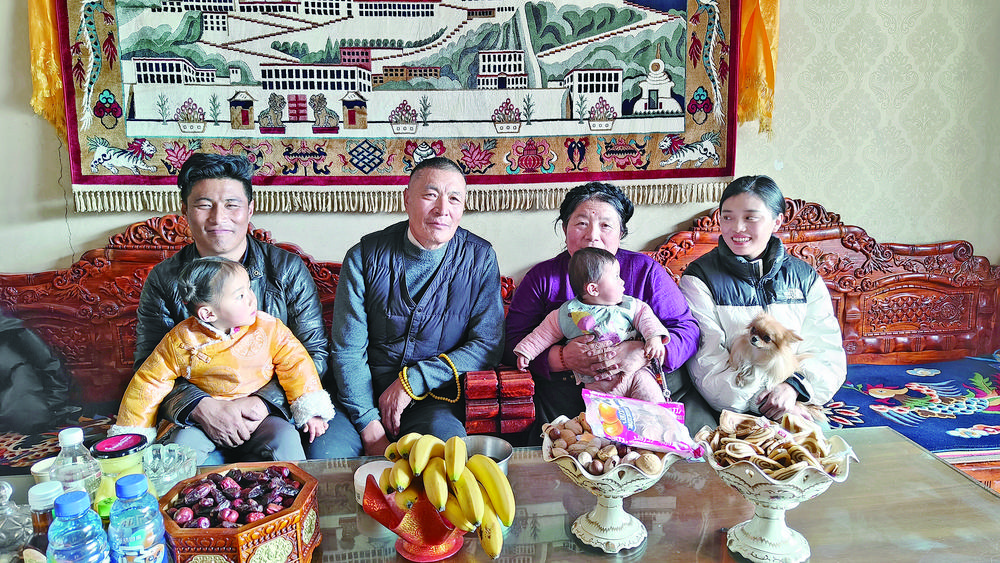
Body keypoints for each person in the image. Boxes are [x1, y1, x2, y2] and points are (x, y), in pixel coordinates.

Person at [135, 152, 362, 461]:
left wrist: (261, 403)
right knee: (188, 467)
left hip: (275, 407)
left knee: (317, 455)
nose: (218, 218)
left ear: (250, 209)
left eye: (232, 204)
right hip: (200, 416)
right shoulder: (165, 279)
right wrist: (203, 408)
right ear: (184, 210)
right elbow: (149, 365)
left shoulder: (285, 269)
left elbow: (314, 353)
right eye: (204, 205)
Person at [504, 181, 714, 443]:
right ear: (565, 228)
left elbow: (687, 331)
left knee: (680, 441)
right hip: (568, 394)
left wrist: (643, 353)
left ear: (621, 232)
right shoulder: (543, 277)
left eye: (605, 225)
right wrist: (564, 358)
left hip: (647, 383)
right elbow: (512, 343)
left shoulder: (645, 271)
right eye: (581, 223)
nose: (592, 235)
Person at [330, 157, 504, 457]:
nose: (442, 209)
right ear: (407, 199)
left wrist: (413, 381)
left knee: (445, 460)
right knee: (327, 458)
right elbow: (347, 350)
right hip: (358, 397)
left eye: (454, 199)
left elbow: (487, 345)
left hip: (434, 399)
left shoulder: (480, 259)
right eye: (430, 195)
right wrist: (368, 424)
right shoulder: (364, 257)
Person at [114, 257, 335, 462]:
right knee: (181, 447)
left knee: (286, 438)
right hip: (203, 421)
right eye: (240, 296)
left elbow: (297, 363)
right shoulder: (181, 341)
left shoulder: (269, 328)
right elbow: (149, 381)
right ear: (208, 314)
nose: (252, 299)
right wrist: (133, 434)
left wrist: (311, 410)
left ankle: (301, 490)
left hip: (259, 417)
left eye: (249, 288)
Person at [678, 175, 846, 421]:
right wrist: (765, 402)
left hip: (797, 399)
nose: (737, 228)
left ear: (777, 221)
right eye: (727, 217)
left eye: (750, 218)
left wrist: (793, 389)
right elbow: (707, 362)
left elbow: (826, 350)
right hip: (729, 405)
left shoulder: (804, 277)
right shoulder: (699, 278)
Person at [513, 247, 668, 403]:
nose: (622, 281)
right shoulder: (568, 313)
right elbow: (543, 334)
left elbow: (647, 319)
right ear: (593, 289)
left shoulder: (629, 305)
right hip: (598, 382)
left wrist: (653, 338)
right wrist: (526, 352)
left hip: (636, 373)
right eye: (616, 277)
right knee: (604, 416)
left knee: (654, 407)